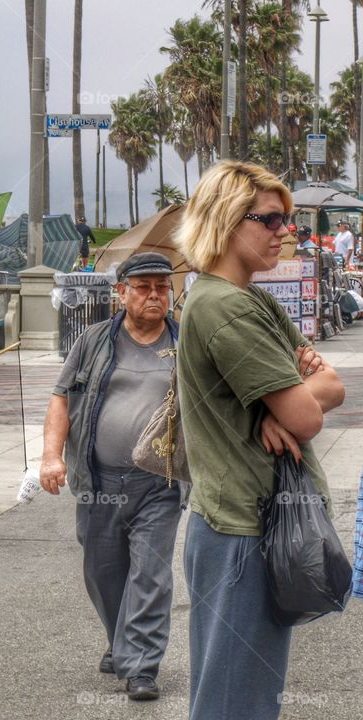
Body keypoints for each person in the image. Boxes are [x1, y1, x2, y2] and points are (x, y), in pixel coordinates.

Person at [175, 160, 345, 720]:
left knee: (236, 692)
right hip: (243, 530)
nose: (285, 232)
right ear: (227, 220)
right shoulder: (226, 307)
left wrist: (292, 403)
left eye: (288, 220)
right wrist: (291, 404)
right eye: (271, 219)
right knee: (236, 703)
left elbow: (331, 386)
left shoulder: (247, 297)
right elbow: (308, 413)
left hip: (242, 523)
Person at [39, 252, 183, 702]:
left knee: (151, 575)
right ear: (121, 293)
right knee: (103, 572)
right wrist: (50, 456)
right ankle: (120, 639)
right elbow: (62, 399)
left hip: (159, 483)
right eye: (143, 287)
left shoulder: (187, 343)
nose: (154, 295)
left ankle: (141, 665)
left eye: (162, 287)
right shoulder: (95, 340)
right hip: (98, 482)